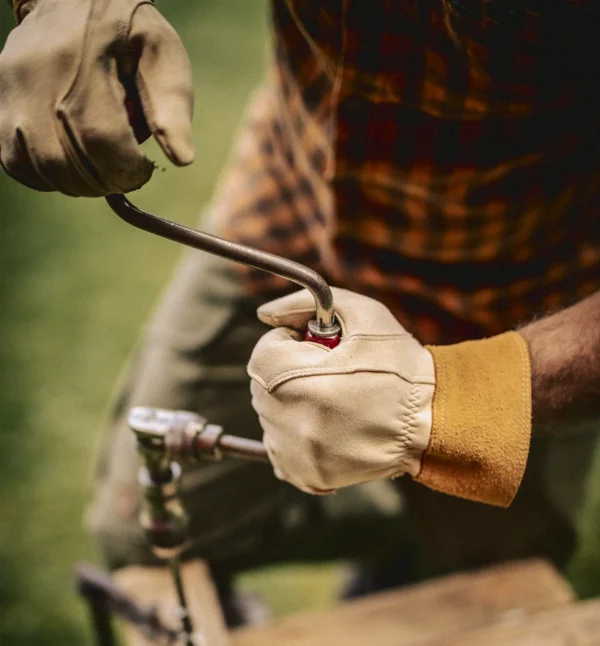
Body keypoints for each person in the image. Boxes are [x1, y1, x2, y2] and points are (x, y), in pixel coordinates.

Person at [2, 0, 600, 642]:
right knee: (140, 534)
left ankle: (398, 571)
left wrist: (457, 397)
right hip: (291, 209)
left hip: (529, 268)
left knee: (495, 571)